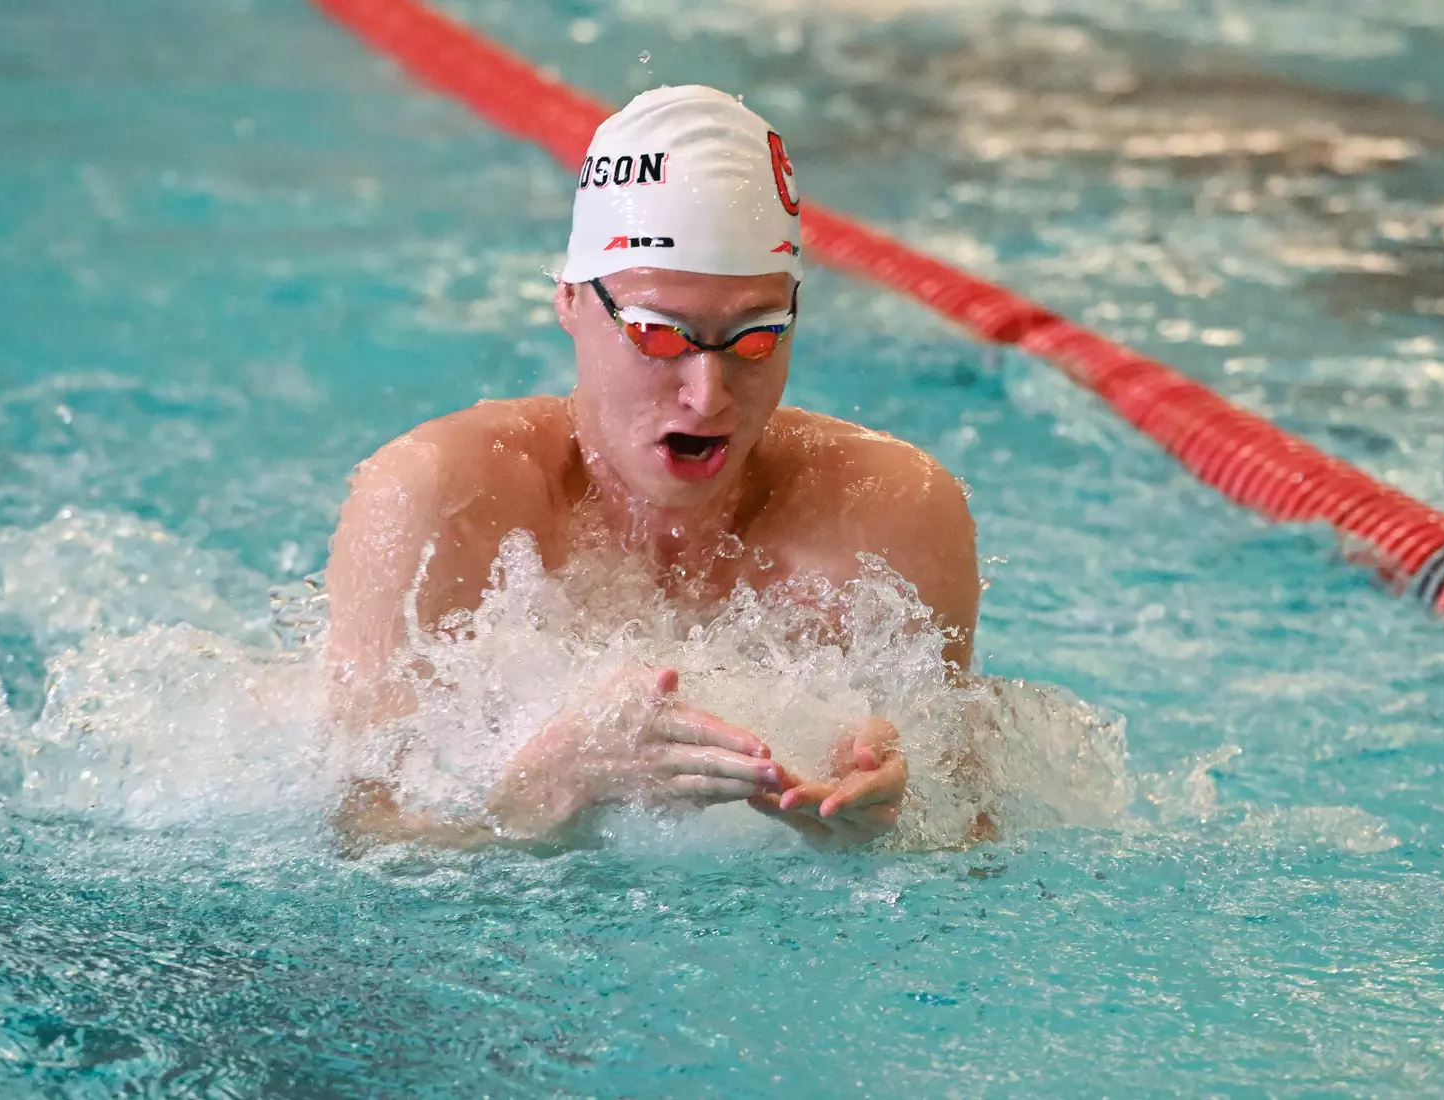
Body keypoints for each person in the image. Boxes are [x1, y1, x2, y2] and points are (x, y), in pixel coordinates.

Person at [326, 85, 981, 852]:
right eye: (660, 335)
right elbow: (357, 841)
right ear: (571, 301)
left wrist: (891, 829)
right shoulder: (440, 499)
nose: (708, 395)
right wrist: (547, 791)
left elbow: (974, 844)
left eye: (757, 336)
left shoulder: (892, 513)